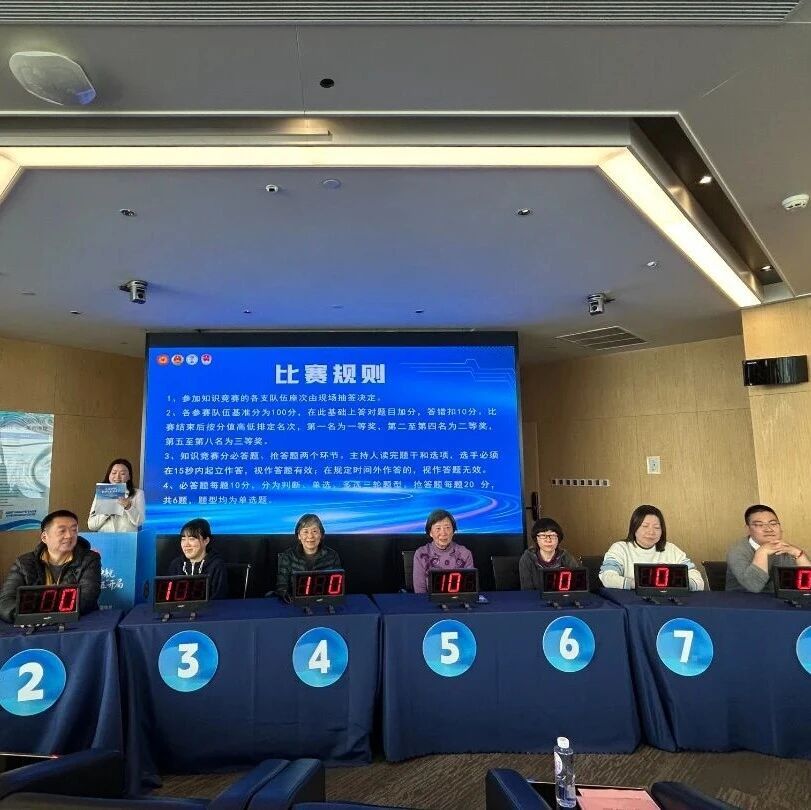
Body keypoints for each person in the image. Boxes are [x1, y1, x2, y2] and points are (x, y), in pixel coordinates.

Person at [0, 509, 101, 623]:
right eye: (62, 531)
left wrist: (49, 616)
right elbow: (5, 600)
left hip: (76, 622)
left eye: (74, 530)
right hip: (32, 624)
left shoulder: (89, 559)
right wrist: (27, 617)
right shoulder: (24, 563)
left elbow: (87, 597)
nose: (69, 535)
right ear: (44, 537)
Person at [599, 504, 704, 591]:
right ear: (634, 527)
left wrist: (683, 585)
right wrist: (638, 584)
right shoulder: (620, 548)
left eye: (657, 527)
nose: (651, 532)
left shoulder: (671, 549)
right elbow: (607, 577)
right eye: (645, 526)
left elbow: (698, 581)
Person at [726, 504, 810, 592]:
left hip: (778, 598)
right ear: (748, 529)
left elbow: (807, 584)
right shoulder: (737, 551)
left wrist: (799, 554)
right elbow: (754, 586)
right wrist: (762, 552)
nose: (769, 529)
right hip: (742, 598)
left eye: (773, 524)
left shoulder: (786, 548)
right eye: (759, 525)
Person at [273, 514, 341, 600]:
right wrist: (286, 595)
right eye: (305, 531)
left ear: (321, 534)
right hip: (294, 603)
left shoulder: (332, 556)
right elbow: (281, 586)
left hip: (323, 602)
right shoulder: (288, 556)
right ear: (299, 535)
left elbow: (338, 586)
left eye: (314, 531)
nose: (310, 536)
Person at [413, 509, 474, 594]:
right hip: (428, 600)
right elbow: (420, 591)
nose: (443, 533)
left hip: (458, 600)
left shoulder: (465, 553)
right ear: (430, 532)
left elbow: (469, 589)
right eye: (438, 528)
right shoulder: (421, 554)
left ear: (453, 531)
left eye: (447, 528)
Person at [166, 518, 228, 599]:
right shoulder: (176, 564)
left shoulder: (216, 566)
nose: (186, 544)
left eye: (192, 539)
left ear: (206, 541)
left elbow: (219, 599)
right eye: (183, 539)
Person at [519, 517, 580, 590]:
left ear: (558, 538)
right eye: (543, 535)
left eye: (553, 535)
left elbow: (577, 586)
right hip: (535, 597)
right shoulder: (527, 558)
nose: (548, 540)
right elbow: (526, 590)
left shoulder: (566, 557)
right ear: (536, 539)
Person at [88, 458, 145, 532]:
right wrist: (107, 511)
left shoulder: (138, 493)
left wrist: (128, 507)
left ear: (129, 477)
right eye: (114, 473)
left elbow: (139, 522)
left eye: (122, 474)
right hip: (105, 537)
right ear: (109, 475)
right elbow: (91, 526)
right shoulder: (101, 493)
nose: (117, 477)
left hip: (128, 538)